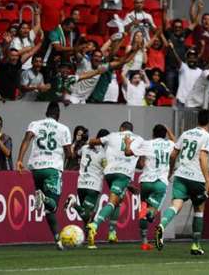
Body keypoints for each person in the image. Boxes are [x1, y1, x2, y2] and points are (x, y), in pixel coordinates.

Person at [155, 109, 209, 255]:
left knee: (176, 204)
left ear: (197, 120)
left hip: (180, 175)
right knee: (199, 209)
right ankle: (195, 245)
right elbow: (202, 157)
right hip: (197, 179)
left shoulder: (186, 134)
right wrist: (208, 180)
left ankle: (162, 225)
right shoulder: (208, 137)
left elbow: (173, 155)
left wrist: (170, 172)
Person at [16, 101, 73, 251]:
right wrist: (71, 152)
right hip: (52, 168)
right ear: (58, 115)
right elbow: (69, 154)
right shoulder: (63, 129)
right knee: (53, 205)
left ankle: (57, 240)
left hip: (36, 168)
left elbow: (27, 139)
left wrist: (20, 160)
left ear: (46, 113)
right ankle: (43, 198)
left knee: (48, 210)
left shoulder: (35, 124)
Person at [86, 121, 144, 249]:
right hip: (123, 174)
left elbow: (94, 142)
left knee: (118, 201)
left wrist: (89, 142)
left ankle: (112, 233)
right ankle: (95, 225)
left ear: (121, 128)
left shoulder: (112, 135)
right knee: (113, 202)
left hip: (109, 172)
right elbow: (140, 164)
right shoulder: (139, 139)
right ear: (131, 130)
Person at [123, 124, 175, 250]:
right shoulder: (170, 144)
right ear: (165, 134)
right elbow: (176, 144)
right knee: (152, 211)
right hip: (160, 182)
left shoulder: (147, 144)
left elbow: (128, 153)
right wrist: (169, 129)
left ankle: (144, 241)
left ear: (153, 134)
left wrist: (128, 143)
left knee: (143, 209)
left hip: (145, 182)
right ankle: (150, 215)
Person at [65, 129, 110, 226]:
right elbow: (106, 170)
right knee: (88, 215)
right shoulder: (103, 154)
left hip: (81, 185)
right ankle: (73, 203)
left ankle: (89, 236)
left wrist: (76, 142)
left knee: (86, 216)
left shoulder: (85, 148)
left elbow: (74, 155)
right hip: (93, 186)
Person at [163, 0, 198, 94]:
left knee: (180, 91)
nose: (178, 28)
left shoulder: (184, 34)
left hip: (181, 68)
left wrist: (194, 5)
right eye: (176, 27)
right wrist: (165, 9)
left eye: (179, 27)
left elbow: (194, 24)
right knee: (169, 92)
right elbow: (164, 22)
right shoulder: (169, 33)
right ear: (173, 27)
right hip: (170, 68)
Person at [191, 0, 209, 65]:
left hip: (208, 63)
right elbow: (192, 16)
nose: (207, 21)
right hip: (197, 60)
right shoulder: (198, 29)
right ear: (202, 20)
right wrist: (193, 3)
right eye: (204, 19)